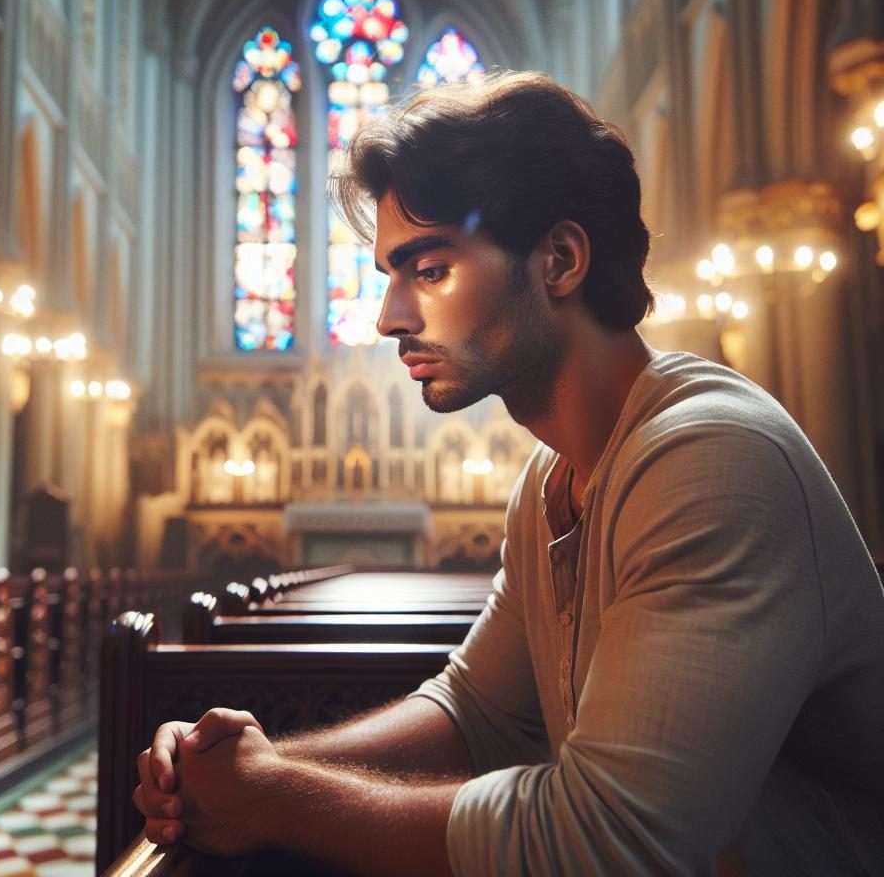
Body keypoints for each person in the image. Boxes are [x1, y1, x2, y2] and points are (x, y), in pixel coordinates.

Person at [133, 72, 884, 875]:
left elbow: (611, 845)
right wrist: (264, 765)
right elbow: (477, 715)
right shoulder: (552, 479)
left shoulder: (714, 461)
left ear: (558, 260)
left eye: (428, 270)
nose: (388, 318)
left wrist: (277, 798)